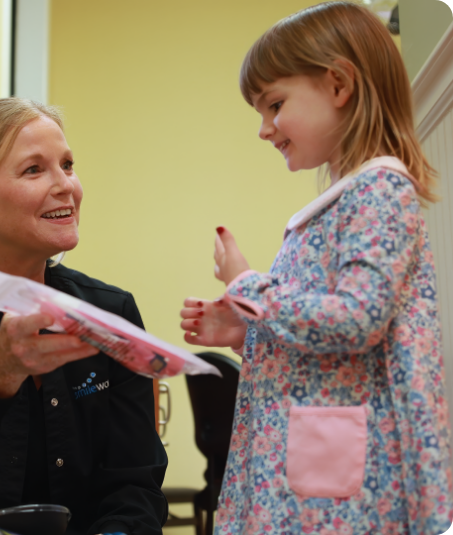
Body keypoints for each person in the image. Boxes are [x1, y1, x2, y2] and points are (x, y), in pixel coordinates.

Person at [180, 2, 453, 534]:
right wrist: (247, 325)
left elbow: (356, 319)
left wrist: (248, 284)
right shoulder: (342, 202)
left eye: (274, 104)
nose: (264, 129)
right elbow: (322, 332)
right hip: (317, 453)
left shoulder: (380, 190)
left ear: (338, 84)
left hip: (345, 479)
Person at [0, 98, 168, 535]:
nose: (66, 186)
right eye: (34, 170)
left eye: (67, 165)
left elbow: (135, 487)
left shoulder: (111, 311)